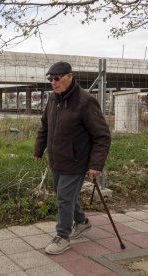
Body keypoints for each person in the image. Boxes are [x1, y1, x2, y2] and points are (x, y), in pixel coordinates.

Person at [33, 61, 111, 255]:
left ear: (69, 76)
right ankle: (82, 222)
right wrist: (38, 150)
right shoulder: (53, 100)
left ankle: (63, 237)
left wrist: (95, 165)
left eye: (57, 78)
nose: (53, 82)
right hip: (57, 159)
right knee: (64, 196)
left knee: (64, 199)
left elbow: (102, 136)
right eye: (50, 79)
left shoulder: (85, 102)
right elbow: (44, 127)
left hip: (76, 161)